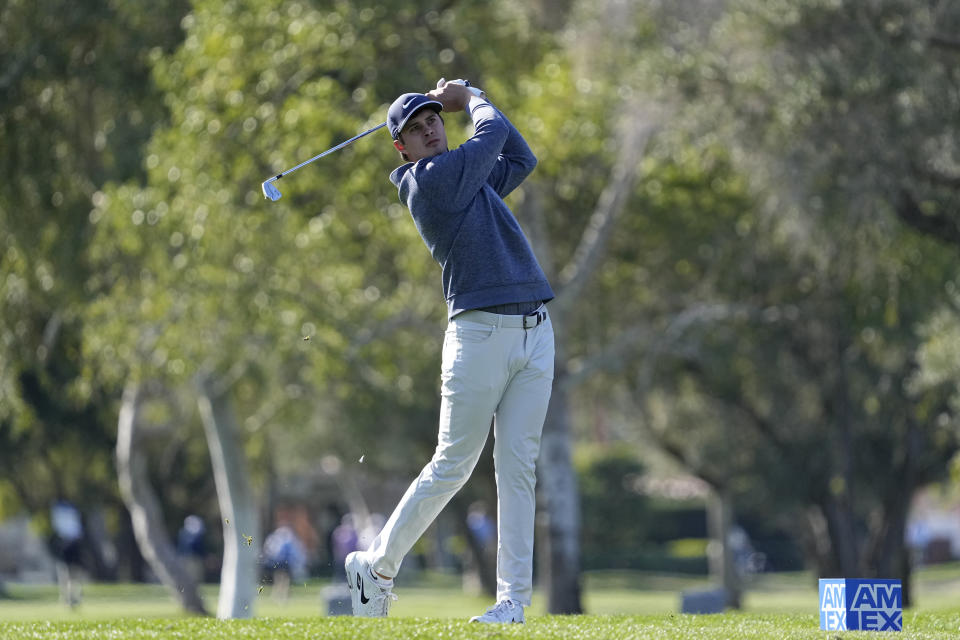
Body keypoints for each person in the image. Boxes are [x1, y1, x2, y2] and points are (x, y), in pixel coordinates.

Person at [345, 78, 555, 624]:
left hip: (535, 330)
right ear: (403, 148)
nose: (430, 129)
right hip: (480, 335)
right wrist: (473, 96)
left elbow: (520, 156)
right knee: (453, 465)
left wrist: (472, 102)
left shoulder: (469, 181)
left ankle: (512, 602)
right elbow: (493, 132)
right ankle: (378, 567)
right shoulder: (429, 181)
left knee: (517, 470)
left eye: (434, 119)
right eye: (415, 129)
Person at [50, 500, 85, 607]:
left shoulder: (69, 520)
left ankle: (72, 597)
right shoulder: (64, 520)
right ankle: (69, 598)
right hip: (67, 551)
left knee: (73, 576)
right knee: (67, 576)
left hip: (72, 551)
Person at [176, 515, 206, 584]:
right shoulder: (187, 533)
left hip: (192, 557)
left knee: (195, 576)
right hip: (190, 557)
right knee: (192, 575)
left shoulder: (185, 532)